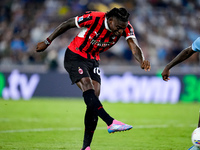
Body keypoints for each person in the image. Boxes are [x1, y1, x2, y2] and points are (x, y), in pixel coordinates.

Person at [36, 7, 151, 150]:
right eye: (118, 27)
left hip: (93, 59)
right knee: (87, 86)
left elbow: (134, 46)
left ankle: (86, 147)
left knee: (94, 98)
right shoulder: (94, 18)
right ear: (110, 20)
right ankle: (110, 122)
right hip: (75, 56)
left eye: (123, 28)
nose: (120, 31)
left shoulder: (126, 27)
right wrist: (47, 42)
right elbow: (67, 24)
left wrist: (141, 60)